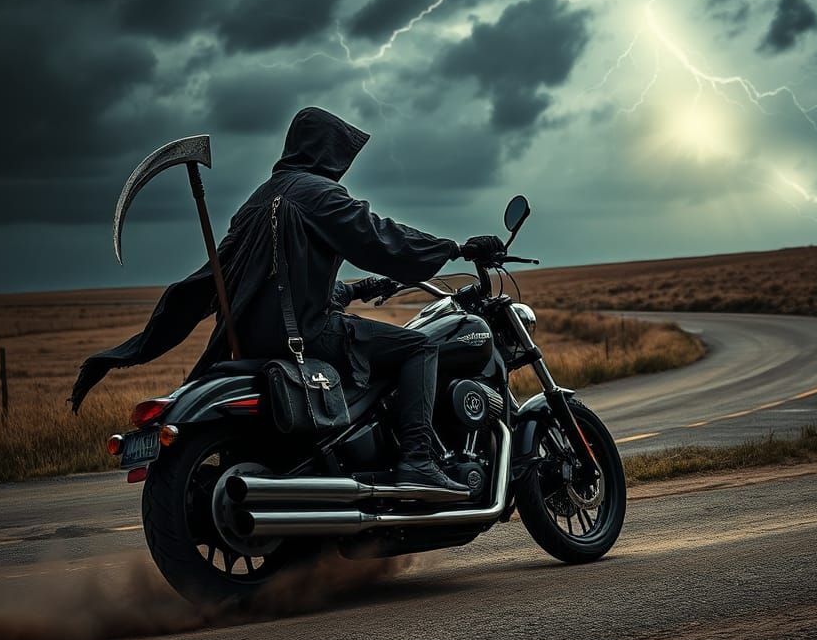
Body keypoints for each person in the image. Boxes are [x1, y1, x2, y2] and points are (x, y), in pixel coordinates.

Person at [71, 107, 504, 491]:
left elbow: (242, 282)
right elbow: (381, 238)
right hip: (305, 338)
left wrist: (354, 289)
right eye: (341, 155)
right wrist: (455, 249)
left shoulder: (255, 202)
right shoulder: (318, 194)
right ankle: (417, 461)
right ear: (327, 152)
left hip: (249, 342)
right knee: (420, 345)